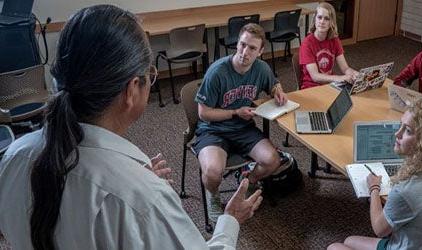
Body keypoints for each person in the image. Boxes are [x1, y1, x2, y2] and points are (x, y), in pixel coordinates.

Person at [0, 5, 262, 249]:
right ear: (131, 90)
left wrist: (133, 184)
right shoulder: (143, 199)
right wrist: (230, 221)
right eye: (150, 74)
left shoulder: (13, 156)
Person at [328, 99, 422, 250]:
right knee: (350, 240)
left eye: (407, 130)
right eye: (400, 125)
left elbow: (379, 229)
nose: (397, 133)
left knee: (334, 247)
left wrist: (374, 188)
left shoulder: (406, 190)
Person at [193, 23, 288, 223]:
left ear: (261, 51)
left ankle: (249, 180)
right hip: (213, 130)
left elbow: (273, 83)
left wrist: (277, 91)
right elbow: (203, 113)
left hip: (243, 129)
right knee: (212, 172)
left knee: (273, 160)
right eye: (242, 45)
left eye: (252, 48)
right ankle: (214, 196)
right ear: (237, 43)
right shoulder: (217, 71)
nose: (245, 52)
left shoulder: (261, 68)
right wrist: (235, 112)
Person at [299, 1, 359, 89]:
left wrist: (355, 74)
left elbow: (345, 68)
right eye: (319, 17)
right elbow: (315, 77)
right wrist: (340, 78)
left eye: (326, 18)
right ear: (315, 19)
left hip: (330, 85)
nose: (322, 21)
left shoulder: (334, 40)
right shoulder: (307, 43)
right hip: (311, 87)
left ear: (331, 22)